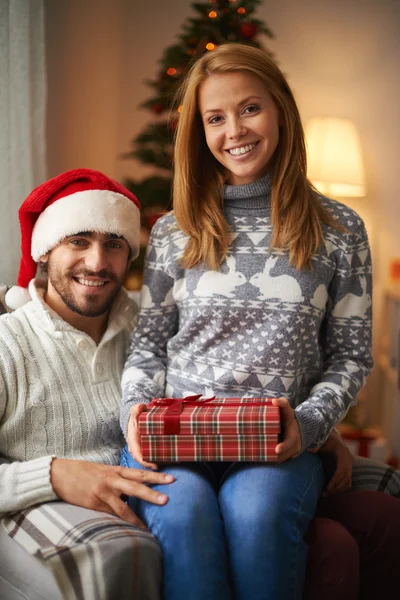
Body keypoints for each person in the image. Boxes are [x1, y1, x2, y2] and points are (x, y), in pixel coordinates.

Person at [119, 43, 377, 600]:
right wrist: (134, 418)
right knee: (181, 515)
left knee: (257, 514)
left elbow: (351, 356)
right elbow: (147, 350)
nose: (234, 130)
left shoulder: (340, 229)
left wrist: (308, 426)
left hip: (277, 445)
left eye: (249, 108)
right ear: (199, 132)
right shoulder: (172, 231)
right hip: (176, 436)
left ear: (281, 109)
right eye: (215, 118)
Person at [0, 168, 176, 600]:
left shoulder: (153, 332)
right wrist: (54, 474)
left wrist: (312, 432)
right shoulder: (7, 345)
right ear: (45, 251)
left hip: (158, 492)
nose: (97, 263)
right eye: (78, 241)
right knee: (122, 555)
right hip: (43, 505)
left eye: (113, 245)